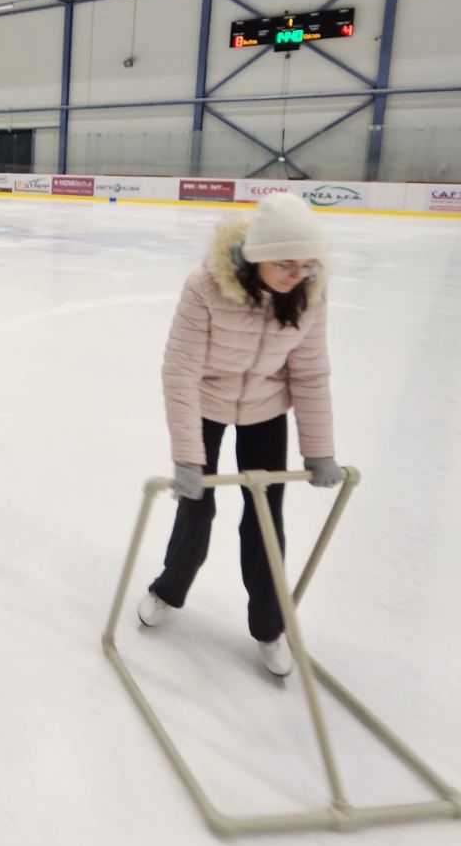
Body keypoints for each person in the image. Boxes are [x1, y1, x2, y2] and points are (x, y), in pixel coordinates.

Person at [137, 193, 342, 676]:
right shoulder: (206, 286)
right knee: (198, 507)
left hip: (266, 409)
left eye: (307, 266)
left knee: (266, 517)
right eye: (287, 265)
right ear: (258, 256)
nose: (298, 276)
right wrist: (188, 457)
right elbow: (181, 371)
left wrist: (319, 451)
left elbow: (310, 375)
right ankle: (168, 589)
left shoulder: (309, 295)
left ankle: (269, 627)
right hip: (206, 403)